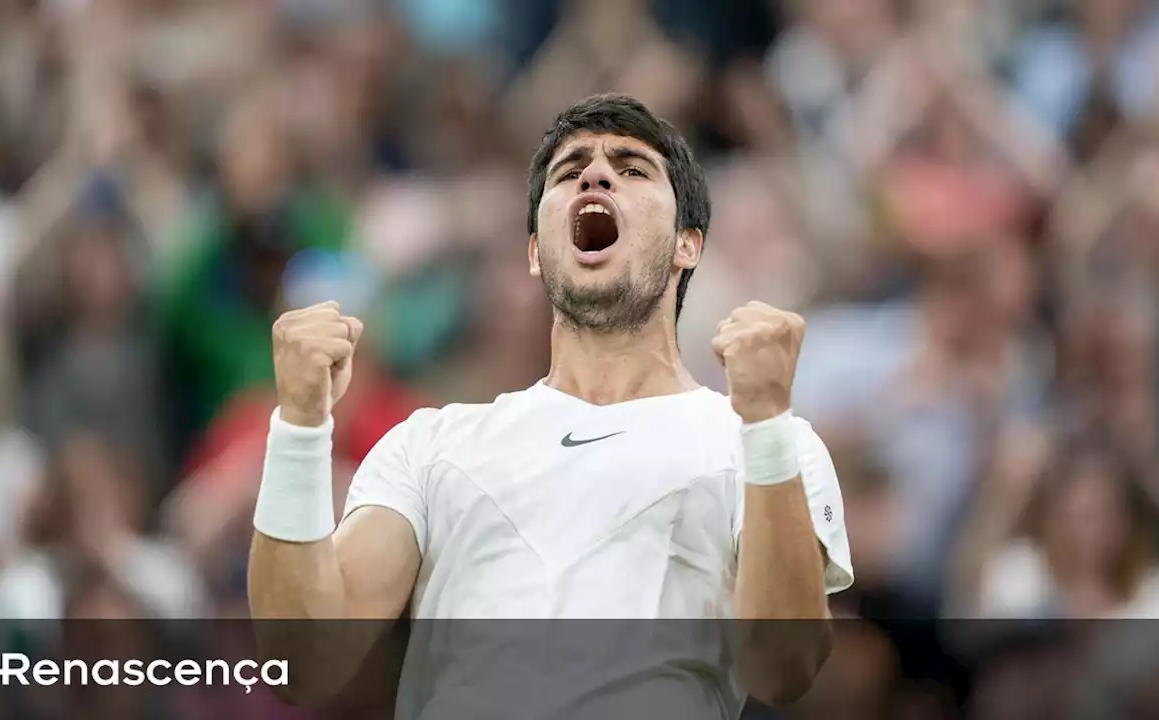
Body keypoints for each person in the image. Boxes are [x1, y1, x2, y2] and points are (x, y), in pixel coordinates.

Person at [247, 94, 854, 718]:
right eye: (570, 172)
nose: (595, 175)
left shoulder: (764, 441)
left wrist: (767, 424)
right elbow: (303, 662)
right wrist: (298, 424)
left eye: (633, 168)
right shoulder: (430, 446)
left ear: (687, 246)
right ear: (536, 252)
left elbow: (785, 665)